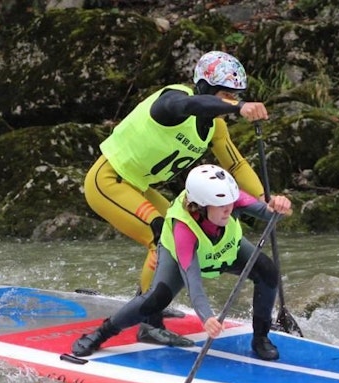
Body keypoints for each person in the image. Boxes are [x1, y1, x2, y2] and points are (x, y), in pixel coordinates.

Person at [85, 50, 269, 347]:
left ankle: (147, 300)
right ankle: (148, 322)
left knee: (175, 228)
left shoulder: (215, 127)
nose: (229, 102)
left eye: (235, 96)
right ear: (206, 89)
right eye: (225, 95)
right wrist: (239, 107)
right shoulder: (173, 102)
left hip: (139, 187)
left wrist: (264, 202)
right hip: (108, 180)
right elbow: (193, 104)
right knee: (160, 235)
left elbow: (236, 165)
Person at [72, 165, 292, 361]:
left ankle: (261, 338)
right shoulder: (184, 231)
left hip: (225, 249)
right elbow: (194, 285)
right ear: (202, 207)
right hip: (179, 256)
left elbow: (271, 213)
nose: (229, 208)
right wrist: (207, 318)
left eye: (231, 203)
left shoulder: (232, 199)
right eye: (221, 205)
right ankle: (100, 334)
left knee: (267, 271)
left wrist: (279, 206)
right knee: (155, 300)